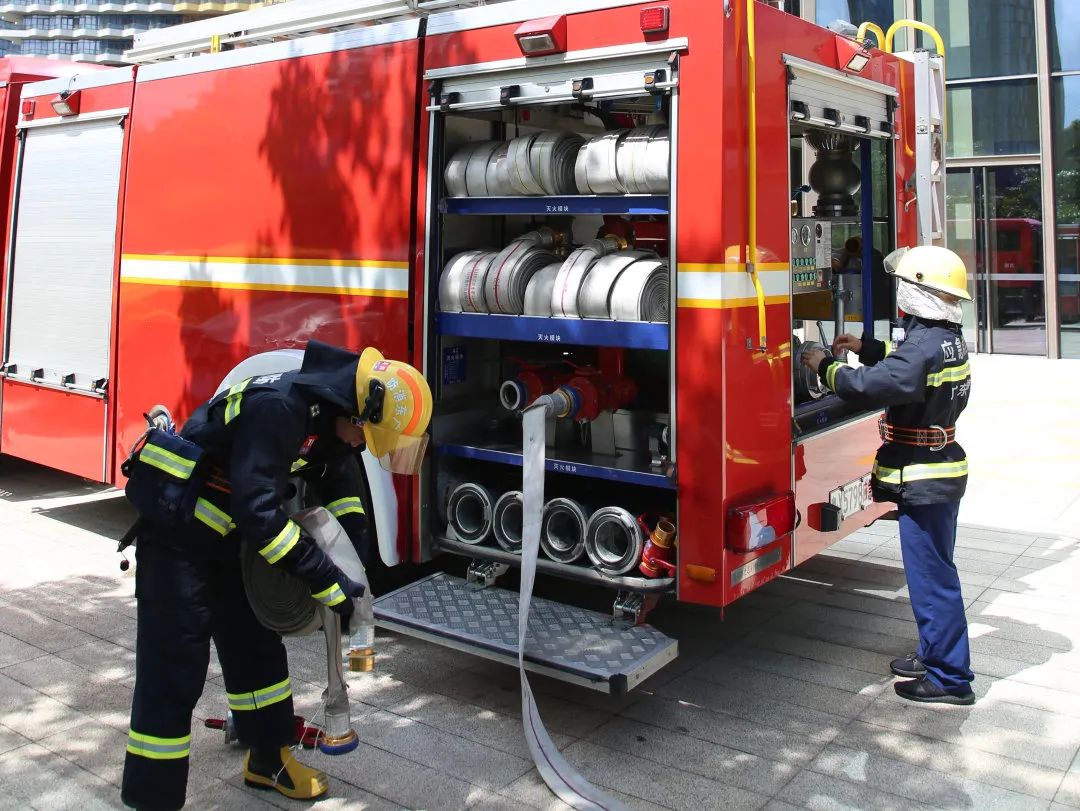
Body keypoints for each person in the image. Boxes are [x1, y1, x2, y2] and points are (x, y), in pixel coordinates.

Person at [120, 341, 433, 809]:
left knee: (256, 651)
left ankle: (267, 759)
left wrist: (356, 567)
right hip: (178, 539)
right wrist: (324, 579)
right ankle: (153, 796)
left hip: (229, 541)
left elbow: (342, 492)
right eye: (365, 435)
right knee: (174, 670)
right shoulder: (281, 409)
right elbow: (259, 512)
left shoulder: (331, 421)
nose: (361, 445)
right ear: (358, 411)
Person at [801, 245, 975, 706]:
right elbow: (907, 366)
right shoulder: (945, 338)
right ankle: (934, 654)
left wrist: (824, 365)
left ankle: (950, 677)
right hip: (939, 471)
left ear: (918, 292)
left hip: (925, 477)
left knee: (932, 578)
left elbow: (868, 386)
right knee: (934, 572)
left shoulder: (924, 346)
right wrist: (868, 347)